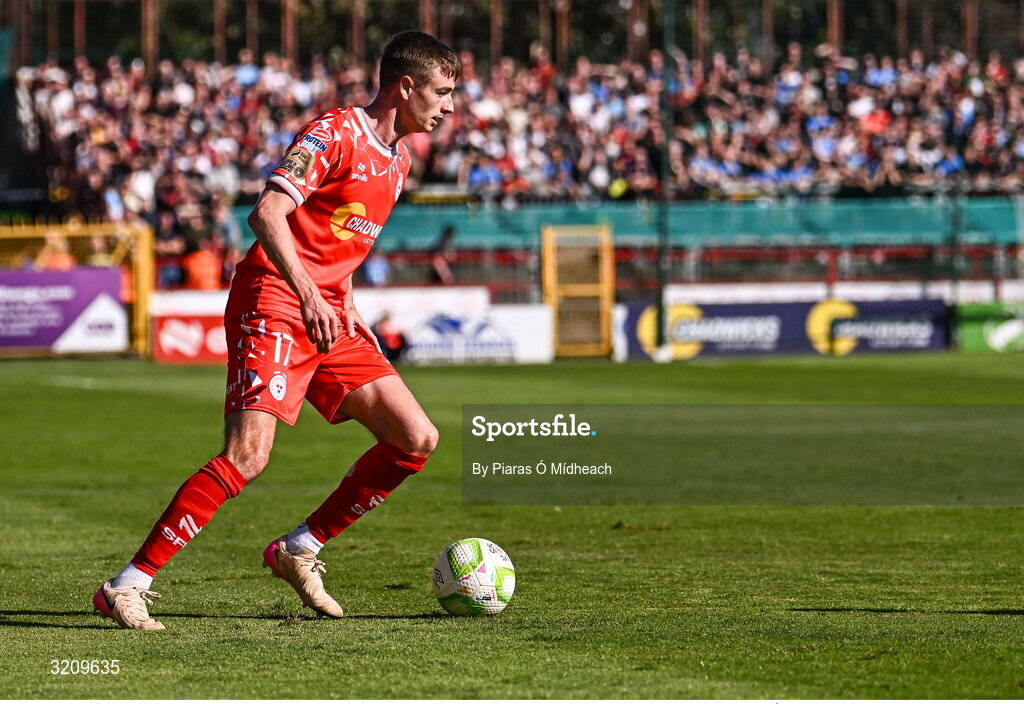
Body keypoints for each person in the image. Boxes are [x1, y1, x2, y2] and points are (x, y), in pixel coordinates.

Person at [92, 31, 459, 630]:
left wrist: (347, 309)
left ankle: (300, 547)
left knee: (415, 438)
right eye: (442, 93)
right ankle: (127, 585)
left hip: (327, 314)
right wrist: (312, 292)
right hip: (275, 300)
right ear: (406, 86)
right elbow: (267, 213)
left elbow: (337, 248)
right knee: (247, 455)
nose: (449, 107)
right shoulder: (334, 134)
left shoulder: (400, 161)